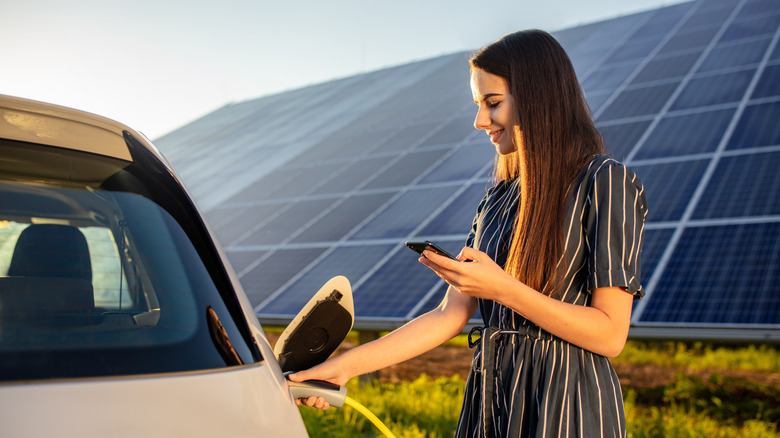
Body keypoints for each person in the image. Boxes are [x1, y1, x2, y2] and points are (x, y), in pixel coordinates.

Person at [290, 29, 647, 437]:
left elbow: (610, 334)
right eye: (479, 105)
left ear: (538, 97)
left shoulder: (605, 181)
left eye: (492, 103)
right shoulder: (496, 200)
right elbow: (448, 316)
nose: (480, 121)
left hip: (566, 406)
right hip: (489, 403)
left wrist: (502, 288)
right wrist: (341, 369)